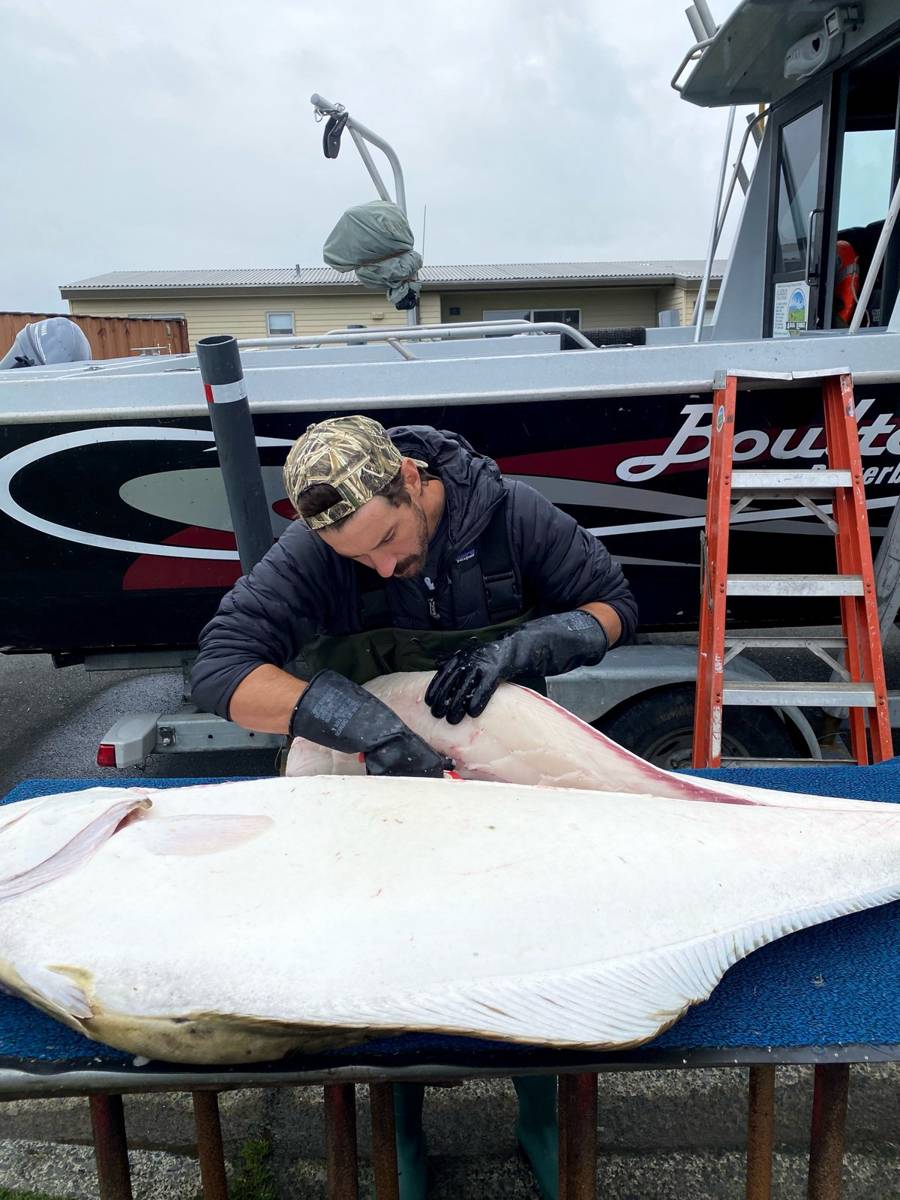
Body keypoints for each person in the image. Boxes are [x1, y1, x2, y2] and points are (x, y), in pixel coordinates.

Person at [191, 415, 638, 1200]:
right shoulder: (311, 552)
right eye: (358, 558)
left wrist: (529, 647)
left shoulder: (514, 512)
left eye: (389, 538)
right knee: (386, 954)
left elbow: (615, 605)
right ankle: (400, 1126)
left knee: (532, 943)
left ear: (410, 477)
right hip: (379, 792)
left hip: (508, 780)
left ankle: (539, 1112)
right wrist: (357, 722)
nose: (386, 565)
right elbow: (220, 672)